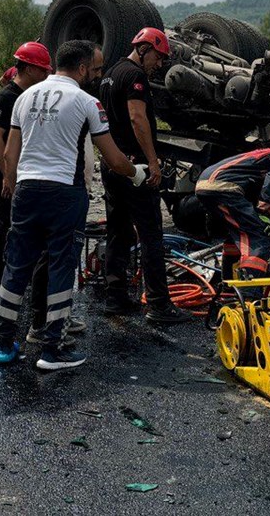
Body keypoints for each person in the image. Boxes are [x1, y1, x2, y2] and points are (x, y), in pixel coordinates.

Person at [0, 40, 146, 371]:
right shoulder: (87, 102)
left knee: (17, 265)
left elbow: (9, 153)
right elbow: (113, 157)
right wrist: (136, 173)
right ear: (81, 68)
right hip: (64, 192)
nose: (97, 74)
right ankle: (52, 349)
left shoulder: (23, 98)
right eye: (96, 69)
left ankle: (4, 344)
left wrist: (16, 186)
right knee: (61, 265)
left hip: (27, 189)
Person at [99, 27, 191, 323]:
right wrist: (152, 162)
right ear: (143, 49)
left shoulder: (110, 74)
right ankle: (159, 305)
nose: (159, 64)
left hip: (113, 164)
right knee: (151, 234)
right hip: (135, 167)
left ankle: (116, 297)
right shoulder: (135, 77)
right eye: (158, 57)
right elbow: (138, 119)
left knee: (119, 230)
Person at [195, 124, 270, 280]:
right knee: (257, 237)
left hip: (206, 184)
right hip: (225, 189)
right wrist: (265, 208)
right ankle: (250, 295)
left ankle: (228, 287)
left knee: (237, 236)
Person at [0, 42, 52, 305]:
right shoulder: (7, 98)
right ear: (31, 68)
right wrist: (7, 176)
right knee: (3, 223)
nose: (46, 75)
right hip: (5, 172)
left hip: (21, 172)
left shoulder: (28, 96)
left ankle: (18, 277)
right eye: (43, 70)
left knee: (22, 226)